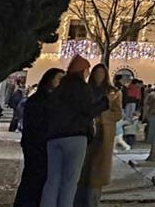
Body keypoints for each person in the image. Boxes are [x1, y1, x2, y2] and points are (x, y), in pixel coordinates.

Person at [42, 55, 109, 207]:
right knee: (70, 181)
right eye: (87, 70)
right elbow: (87, 111)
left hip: (54, 137)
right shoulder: (82, 88)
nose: (88, 74)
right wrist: (103, 103)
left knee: (52, 179)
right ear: (83, 71)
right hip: (75, 136)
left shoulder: (58, 90)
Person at [74, 64, 123, 207]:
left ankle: (92, 202)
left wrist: (101, 114)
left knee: (97, 172)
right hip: (86, 132)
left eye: (102, 73)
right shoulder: (86, 90)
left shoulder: (113, 92)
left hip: (103, 134)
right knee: (82, 170)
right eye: (97, 73)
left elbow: (117, 114)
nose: (99, 76)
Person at [14, 69, 63, 207]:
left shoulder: (50, 98)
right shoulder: (40, 99)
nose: (61, 83)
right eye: (59, 79)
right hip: (37, 145)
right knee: (33, 180)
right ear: (50, 80)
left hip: (41, 145)